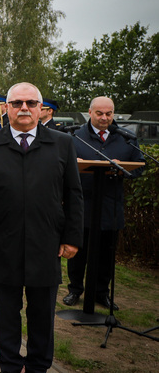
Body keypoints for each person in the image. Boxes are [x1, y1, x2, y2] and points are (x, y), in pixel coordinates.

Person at [0, 82, 83, 373]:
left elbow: (74, 194)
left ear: (40, 107)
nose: (24, 109)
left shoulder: (62, 144)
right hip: (2, 244)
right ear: (5, 107)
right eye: (16, 103)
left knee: (42, 312)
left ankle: (37, 372)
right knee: (7, 311)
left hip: (46, 243)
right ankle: (8, 369)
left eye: (31, 103)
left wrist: (73, 237)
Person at [63, 96, 144, 310]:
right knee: (78, 252)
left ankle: (101, 292)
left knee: (106, 254)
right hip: (83, 206)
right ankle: (75, 290)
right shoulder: (75, 137)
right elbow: (61, 167)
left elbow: (140, 167)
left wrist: (123, 168)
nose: (104, 118)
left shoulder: (125, 138)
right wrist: (75, 165)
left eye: (109, 114)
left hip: (110, 207)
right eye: (99, 113)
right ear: (89, 112)